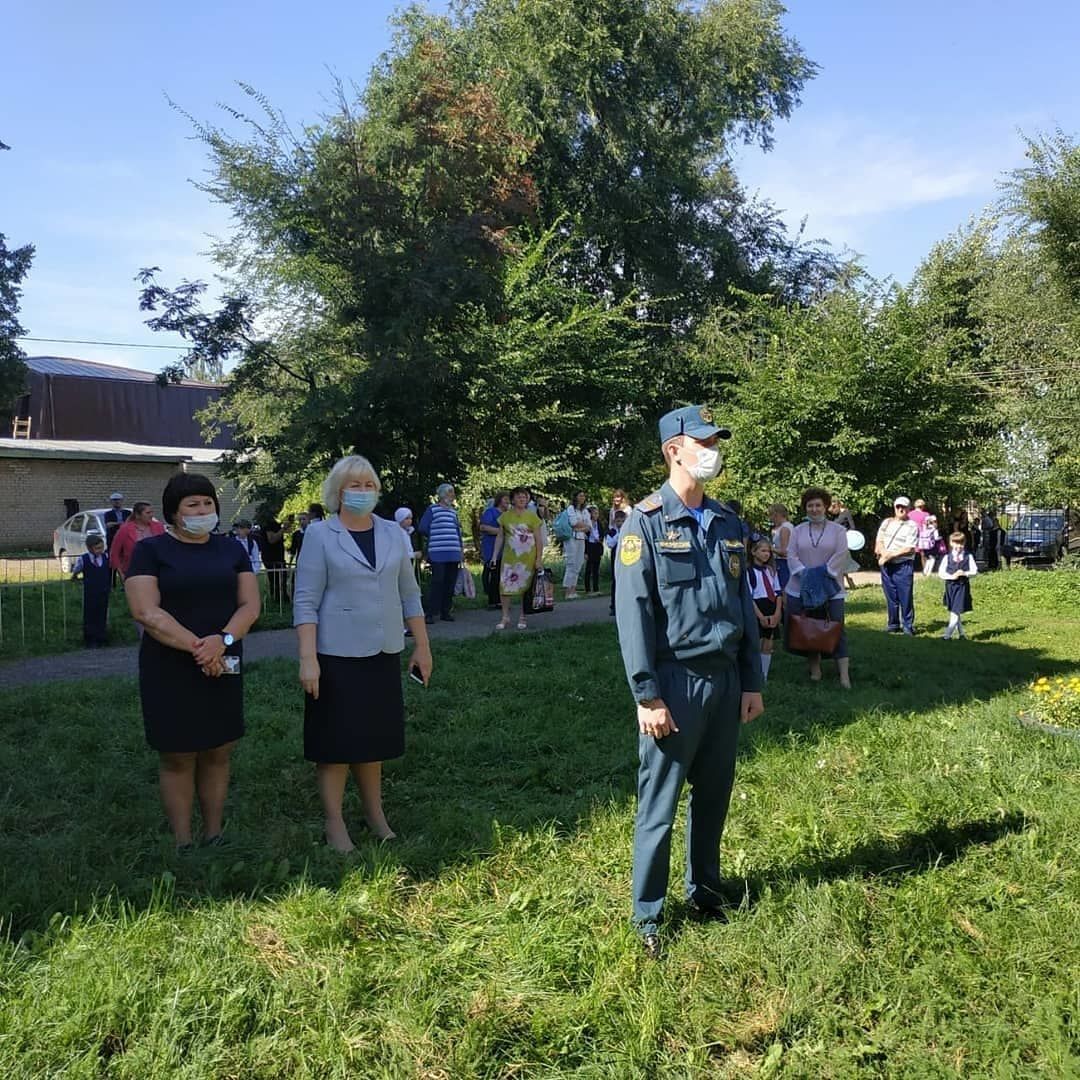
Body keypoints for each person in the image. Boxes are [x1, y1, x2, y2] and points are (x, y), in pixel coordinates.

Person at [616, 405, 764, 959]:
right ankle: (649, 915)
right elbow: (634, 616)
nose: (713, 449)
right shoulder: (646, 523)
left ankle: (705, 890)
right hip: (674, 685)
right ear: (673, 449)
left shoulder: (727, 523)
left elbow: (743, 607)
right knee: (660, 800)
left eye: (715, 440)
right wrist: (646, 694)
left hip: (725, 681)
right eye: (702, 441)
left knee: (715, 795)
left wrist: (752, 680)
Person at [293, 456, 432, 851]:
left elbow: (409, 592)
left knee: (374, 740)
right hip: (334, 655)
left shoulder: (391, 533)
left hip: (383, 649)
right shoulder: (320, 535)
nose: (363, 492)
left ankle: (375, 814)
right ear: (338, 492)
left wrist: (421, 645)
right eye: (355, 485)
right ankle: (334, 821)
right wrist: (308, 657)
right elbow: (305, 601)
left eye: (370, 485)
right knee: (336, 743)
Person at [125, 472, 261, 851]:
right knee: (178, 754)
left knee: (219, 749)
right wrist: (199, 647)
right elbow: (145, 610)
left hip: (224, 659)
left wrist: (224, 640)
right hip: (170, 666)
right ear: (173, 513)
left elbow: (250, 605)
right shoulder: (149, 551)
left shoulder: (232, 549)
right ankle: (182, 841)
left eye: (208, 503)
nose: (203, 510)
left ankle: (214, 832)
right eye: (193, 505)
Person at [784, 488, 852, 688]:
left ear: (825, 507)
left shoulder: (838, 531)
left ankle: (844, 677)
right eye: (810, 505)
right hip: (800, 586)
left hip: (832, 589)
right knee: (810, 628)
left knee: (837, 628)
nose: (814, 509)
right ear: (806, 508)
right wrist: (805, 574)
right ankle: (815, 671)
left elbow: (841, 554)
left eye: (818, 505)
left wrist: (822, 575)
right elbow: (791, 555)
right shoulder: (797, 530)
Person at [491, 487, 544, 631]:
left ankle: (522, 616)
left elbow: (539, 539)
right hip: (509, 556)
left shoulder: (532, 517)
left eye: (525, 497)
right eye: (519, 497)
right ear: (513, 499)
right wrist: (494, 556)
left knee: (524, 588)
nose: (522, 499)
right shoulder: (505, 516)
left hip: (528, 557)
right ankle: (505, 616)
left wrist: (539, 559)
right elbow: (500, 536)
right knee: (505, 586)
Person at [417, 483, 464, 623]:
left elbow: (458, 532)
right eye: (450, 492)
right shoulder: (432, 509)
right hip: (438, 551)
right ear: (442, 494)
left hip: (453, 552)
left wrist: (461, 550)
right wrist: (437, 535)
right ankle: (431, 613)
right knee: (438, 581)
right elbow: (423, 527)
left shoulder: (453, 512)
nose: (452, 495)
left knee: (450, 583)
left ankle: (446, 611)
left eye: (453, 493)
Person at [875, 496, 920, 635]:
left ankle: (907, 625)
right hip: (887, 565)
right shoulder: (887, 522)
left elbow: (909, 548)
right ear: (894, 507)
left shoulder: (912, 525)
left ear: (908, 509)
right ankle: (893, 624)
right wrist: (882, 552)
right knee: (891, 596)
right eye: (898, 506)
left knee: (905, 596)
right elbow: (879, 540)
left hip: (903, 564)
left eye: (904, 507)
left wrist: (888, 555)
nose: (901, 509)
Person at [746, 537, 783, 683]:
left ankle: (764, 675)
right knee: (757, 641)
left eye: (768, 551)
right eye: (763, 551)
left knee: (769, 642)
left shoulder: (771, 571)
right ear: (754, 552)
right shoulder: (748, 572)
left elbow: (777, 591)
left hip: (771, 606)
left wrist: (777, 612)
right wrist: (760, 616)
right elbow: (749, 596)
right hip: (757, 607)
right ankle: (754, 674)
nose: (766, 554)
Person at [72, 533, 111, 646]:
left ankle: (101, 636)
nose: (100, 550)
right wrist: (74, 577)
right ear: (89, 548)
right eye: (97, 548)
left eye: (101, 547)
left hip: (103, 590)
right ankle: (90, 638)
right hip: (91, 591)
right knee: (90, 614)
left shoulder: (105, 557)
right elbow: (77, 570)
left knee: (102, 613)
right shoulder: (84, 559)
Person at [110, 501, 166, 579]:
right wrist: (120, 573)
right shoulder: (125, 529)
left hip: (156, 570)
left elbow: (165, 547)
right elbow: (115, 551)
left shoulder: (159, 526)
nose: (151, 515)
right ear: (137, 515)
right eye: (148, 513)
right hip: (133, 571)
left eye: (152, 512)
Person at [939, 531, 978, 639]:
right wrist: (951, 576)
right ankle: (962, 634)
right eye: (956, 543)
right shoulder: (947, 557)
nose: (958, 546)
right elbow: (941, 572)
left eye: (961, 543)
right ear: (951, 543)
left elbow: (974, 571)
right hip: (950, 586)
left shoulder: (968, 556)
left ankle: (947, 635)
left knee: (956, 610)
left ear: (964, 543)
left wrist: (965, 573)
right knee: (954, 609)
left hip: (962, 586)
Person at [479, 493, 509, 609]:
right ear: (499, 500)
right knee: (493, 573)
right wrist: (501, 531)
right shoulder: (491, 512)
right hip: (491, 546)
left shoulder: (509, 514)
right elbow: (483, 527)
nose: (508, 501)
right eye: (505, 498)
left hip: (506, 548)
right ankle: (492, 600)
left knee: (503, 575)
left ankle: (501, 600)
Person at [562, 490, 590, 599]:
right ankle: (568, 591)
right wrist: (582, 527)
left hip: (581, 538)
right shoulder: (571, 509)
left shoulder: (585, 511)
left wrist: (580, 527)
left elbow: (589, 526)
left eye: (584, 495)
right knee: (571, 563)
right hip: (571, 538)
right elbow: (573, 523)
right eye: (580, 495)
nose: (582, 497)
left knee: (578, 563)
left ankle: (573, 589)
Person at [258, 514, 288, 601]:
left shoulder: (277, 524)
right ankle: (277, 598)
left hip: (279, 556)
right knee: (275, 579)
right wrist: (283, 529)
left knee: (282, 578)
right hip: (271, 557)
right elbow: (271, 539)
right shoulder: (269, 525)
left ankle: (282, 597)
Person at [605, 508, 626, 615]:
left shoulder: (629, 531)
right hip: (615, 555)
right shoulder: (611, 532)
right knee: (615, 580)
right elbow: (610, 544)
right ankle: (614, 606)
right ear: (614, 521)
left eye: (622, 521)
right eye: (618, 521)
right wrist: (619, 535)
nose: (620, 523)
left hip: (625, 555)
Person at [768, 504, 794, 590]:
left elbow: (784, 552)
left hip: (783, 564)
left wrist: (770, 548)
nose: (770, 518)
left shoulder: (784, 529)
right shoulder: (787, 526)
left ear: (776, 515)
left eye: (770, 515)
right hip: (783, 563)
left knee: (783, 589)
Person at [583, 504, 604, 594]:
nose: (596, 515)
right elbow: (585, 538)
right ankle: (588, 589)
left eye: (597, 513)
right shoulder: (587, 523)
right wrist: (585, 552)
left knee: (596, 569)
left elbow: (602, 533)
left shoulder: (598, 523)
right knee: (589, 569)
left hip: (597, 546)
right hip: (590, 546)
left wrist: (600, 539)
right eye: (594, 513)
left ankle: (596, 588)